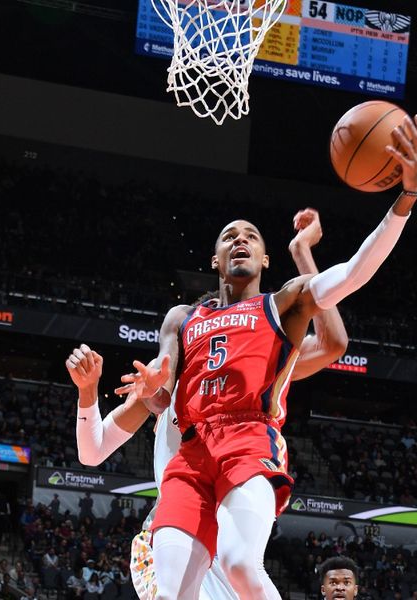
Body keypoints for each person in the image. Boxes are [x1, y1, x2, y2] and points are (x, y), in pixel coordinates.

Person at [119, 115, 417, 599]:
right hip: (192, 452)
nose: (239, 238)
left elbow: (352, 275)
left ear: (265, 259)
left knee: (242, 564)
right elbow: (163, 380)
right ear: (215, 260)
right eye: (228, 236)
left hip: (248, 438)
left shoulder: (282, 304)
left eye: (251, 235)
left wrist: (405, 200)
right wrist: (156, 383)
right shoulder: (183, 316)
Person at [67, 208, 350, 599]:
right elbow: (93, 450)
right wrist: (87, 392)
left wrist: (302, 252)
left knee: (243, 568)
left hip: (232, 509)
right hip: (182, 524)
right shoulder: (160, 381)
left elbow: (333, 344)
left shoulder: (252, 370)